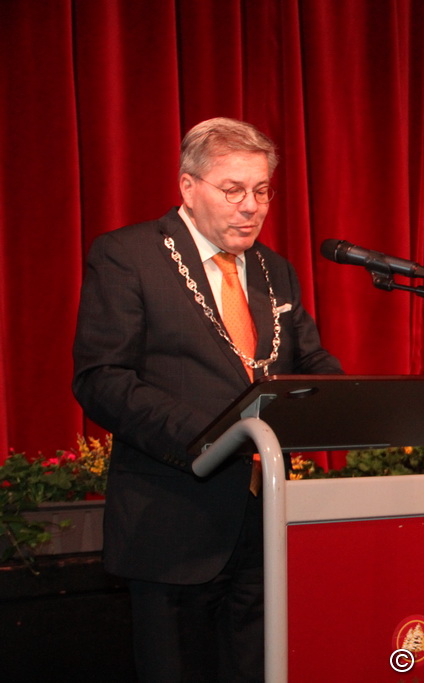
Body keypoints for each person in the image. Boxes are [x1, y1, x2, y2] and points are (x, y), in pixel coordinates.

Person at [72, 117, 342, 682]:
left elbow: (310, 363)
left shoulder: (274, 270)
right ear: (188, 187)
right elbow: (102, 379)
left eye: (262, 190)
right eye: (233, 190)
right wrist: (214, 435)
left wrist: (353, 403)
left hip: (265, 524)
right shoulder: (128, 256)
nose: (252, 207)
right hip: (173, 524)